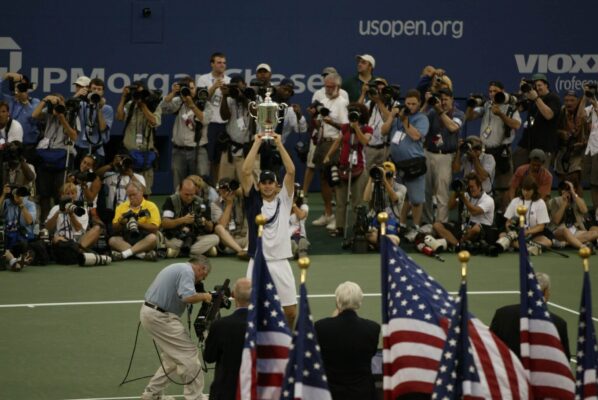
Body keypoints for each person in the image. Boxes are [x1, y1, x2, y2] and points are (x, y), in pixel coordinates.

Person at [240, 132, 297, 327]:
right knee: (250, 310)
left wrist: (279, 144)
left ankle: (286, 343)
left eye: (270, 182)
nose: (266, 186)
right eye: (263, 183)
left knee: (290, 312)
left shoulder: (284, 199)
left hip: (281, 262)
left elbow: (291, 171)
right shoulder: (252, 199)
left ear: (277, 185)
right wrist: (256, 143)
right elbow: (246, 171)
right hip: (257, 261)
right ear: (259, 185)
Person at [140, 256, 213, 400]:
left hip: (152, 313)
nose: (202, 280)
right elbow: (187, 296)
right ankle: (195, 396)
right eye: (204, 276)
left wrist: (202, 295)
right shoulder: (187, 271)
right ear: (201, 268)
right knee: (188, 353)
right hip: (161, 317)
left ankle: (152, 393)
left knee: (172, 359)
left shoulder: (178, 267)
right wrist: (205, 296)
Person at [314, 281, 380, 400]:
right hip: (363, 393)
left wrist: (333, 319)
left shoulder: (320, 327)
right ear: (360, 301)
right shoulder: (373, 328)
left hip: (331, 392)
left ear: (337, 301)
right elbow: (372, 353)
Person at [490, 272, 570, 361]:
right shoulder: (559, 324)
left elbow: (490, 347)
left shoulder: (502, 314)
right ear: (546, 293)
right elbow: (564, 360)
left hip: (508, 372)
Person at [383, 89, 429, 236]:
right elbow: (383, 131)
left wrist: (404, 120)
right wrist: (391, 116)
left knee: (416, 199)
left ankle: (416, 227)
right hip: (397, 164)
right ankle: (401, 223)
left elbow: (416, 136)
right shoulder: (397, 118)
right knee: (402, 197)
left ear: (419, 104)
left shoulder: (422, 118)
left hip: (413, 163)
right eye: (408, 103)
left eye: (413, 104)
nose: (410, 106)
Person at [323, 102, 372, 237]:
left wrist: (356, 128)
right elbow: (338, 141)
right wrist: (328, 155)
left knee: (357, 201)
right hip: (343, 167)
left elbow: (364, 142)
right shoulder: (345, 128)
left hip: (359, 169)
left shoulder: (367, 129)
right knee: (340, 201)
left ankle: (358, 227)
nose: (352, 115)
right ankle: (340, 227)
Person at [464, 80, 521, 195]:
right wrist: (471, 106)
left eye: (495, 91)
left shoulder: (510, 107)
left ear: (502, 92)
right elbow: (469, 117)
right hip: (485, 150)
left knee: (504, 187)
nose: (492, 93)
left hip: (502, 151)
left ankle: (502, 211)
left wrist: (500, 114)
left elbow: (516, 124)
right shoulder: (486, 105)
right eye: (490, 91)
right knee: (483, 183)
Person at [309, 73, 349, 231]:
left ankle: (339, 218)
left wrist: (331, 121)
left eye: (331, 86)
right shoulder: (323, 102)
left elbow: (346, 129)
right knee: (324, 180)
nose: (328, 89)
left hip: (335, 144)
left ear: (338, 86)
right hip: (321, 142)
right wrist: (315, 119)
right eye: (326, 86)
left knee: (336, 181)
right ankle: (328, 213)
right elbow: (319, 126)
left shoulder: (343, 103)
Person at [32, 93, 78, 222]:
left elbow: (74, 137)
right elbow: (34, 115)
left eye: (60, 103)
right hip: (46, 155)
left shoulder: (72, 115)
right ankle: (45, 223)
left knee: (61, 192)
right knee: (44, 194)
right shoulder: (48, 113)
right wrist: (45, 100)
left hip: (63, 156)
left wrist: (62, 118)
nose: (58, 106)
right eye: (56, 104)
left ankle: (62, 221)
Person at [203, 277, 251, 400]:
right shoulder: (266, 326)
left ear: (233, 295)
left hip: (225, 391)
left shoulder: (220, 326)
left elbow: (209, 358)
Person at [423, 87, 465, 224]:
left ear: (452, 99)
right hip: (429, 153)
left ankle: (441, 223)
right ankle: (427, 223)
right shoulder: (431, 113)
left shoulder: (458, 114)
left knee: (442, 192)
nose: (443, 102)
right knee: (426, 191)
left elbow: (453, 127)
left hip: (446, 156)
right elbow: (418, 122)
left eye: (446, 99)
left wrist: (439, 111)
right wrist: (426, 103)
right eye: (440, 100)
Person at [116, 80, 162, 195]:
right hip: (130, 155)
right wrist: (123, 98)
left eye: (142, 93)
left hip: (146, 155)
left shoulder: (154, 106)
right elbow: (120, 117)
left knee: (145, 192)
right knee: (127, 192)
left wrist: (143, 106)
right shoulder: (130, 105)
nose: (139, 96)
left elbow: (154, 121)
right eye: (136, 93)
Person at [431, 172, 495, 251]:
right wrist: (456, 192)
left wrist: (463, 198)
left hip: (482, 230)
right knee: (437, 225)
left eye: (472, 187)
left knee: (476, 228)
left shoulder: (488, 200)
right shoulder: (466, 195)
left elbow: (474, 212)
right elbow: (450, 206)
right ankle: (458, 245)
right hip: (464, 227)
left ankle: (457, 243)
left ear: (479, 186)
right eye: (469, 187)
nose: (470, 189)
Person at [161, 76, 205, 190]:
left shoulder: (202, 103)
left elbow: (204, 120)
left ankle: (196, 207)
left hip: (196, 151)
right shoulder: (178, 101)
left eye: (192, 88)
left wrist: (191, 104)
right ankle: (177, 206)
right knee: (178, 184)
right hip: (178, 150)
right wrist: (173, 93)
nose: (190, 91)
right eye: (187, 88)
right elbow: (163, 108)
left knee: (196, 184)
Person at [513, 73, 562, 169]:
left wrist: (536, 98)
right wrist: (522, 92)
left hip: (544, 145)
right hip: (527, 143)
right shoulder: (531, 98)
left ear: (546, 85)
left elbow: (549, 115)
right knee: (518, 169)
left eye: (539, 85)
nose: (537, 88)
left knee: (540, 175)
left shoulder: (553, 98)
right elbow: (519, 108)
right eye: (535, 86)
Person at [161, 178, 219, 259]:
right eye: (186, 194)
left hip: (196, 238)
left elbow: (210, 228)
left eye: (192, 194)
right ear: (180, 191)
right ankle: (203, 251)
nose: (189, 197)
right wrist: (183, 220)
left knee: (215, 238)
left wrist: (204, 221)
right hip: (176, 237)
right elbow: (165, 224)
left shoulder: (202, 203)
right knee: (164, 240)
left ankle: (179, 253)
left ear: (195, 192)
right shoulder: (171, 201)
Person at [45, 182, 101, 264]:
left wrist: (71, 214)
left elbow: (79, 229)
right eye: (67, 194)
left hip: (78, 240)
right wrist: (58, 213)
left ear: (76, 195)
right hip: (62, 239)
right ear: (61, 196)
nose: (70, 196)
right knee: (57, 239)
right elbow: (48, 228)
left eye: (72, 193)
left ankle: (77, 250)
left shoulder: (80, 209)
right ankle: (80, 252)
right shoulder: (55, 208)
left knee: (97, 229)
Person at [197, 52, 231, 181]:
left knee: (223, 159)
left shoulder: (229, 81)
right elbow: (201, 100)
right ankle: (210, 187)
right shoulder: (203, 79)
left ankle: (220, 187)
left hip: (225, 124)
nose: (222, 65)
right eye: (219, 62)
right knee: (210, 159)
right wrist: (214, 87)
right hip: (210, 124)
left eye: (224, 62)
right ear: (212, 64)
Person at [109, 181, 160, 261]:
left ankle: (124, 254)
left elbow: (154, 228)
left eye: (134, 194)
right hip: (127, 238)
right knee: (112, 240)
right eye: (129, 195)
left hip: (144, 238)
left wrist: (138, 224)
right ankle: (142, 255)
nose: (132, 197)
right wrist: (122, 222)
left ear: (141, 192)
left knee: (153, 238)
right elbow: (114, 228)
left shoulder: (151, 206)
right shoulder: (121, 207)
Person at [500, 175, 551, 254]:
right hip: (516, 236)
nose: (526, 193)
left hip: (533, 236)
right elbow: (508, 222)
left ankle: (519, 246)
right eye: (524, 190)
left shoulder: (540, 203)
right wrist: (512, 232)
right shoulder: (515, 201)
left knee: (547, 242)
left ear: (534, 190)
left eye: (529, 190)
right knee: (502, 235)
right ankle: (529, 248)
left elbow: (541, 226)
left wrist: (527, 232)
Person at [218, 74, 252, 181]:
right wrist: (224, 96)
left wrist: (243, 97)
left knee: (246, 187)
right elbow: (224, 117)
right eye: (234, 88)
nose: (236, 90)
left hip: (245, 151)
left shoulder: (252, 96)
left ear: (245, 85)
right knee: (225, 184)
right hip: (229, 149)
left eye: (239, 87)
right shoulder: (229, 98)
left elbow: (255, 113)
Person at [363, 161, 406, 245]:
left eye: (388, 175)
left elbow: (395, 199)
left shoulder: (401, 188)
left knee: (395, 240)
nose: (385, 177)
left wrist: (385, 182)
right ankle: (382, 241)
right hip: (375, 220)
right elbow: (366, 199)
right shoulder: (376, 185)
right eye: (383, 175)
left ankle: (378, 242)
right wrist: (371, 178)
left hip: (391, 220)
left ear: (394, 175)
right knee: (369, 234)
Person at [73, 77, 113, 166]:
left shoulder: (107, 108)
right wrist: (77, 95)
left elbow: (103, 128)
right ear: (89, 90)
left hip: (96, 149)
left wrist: (99, 108)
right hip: (79, 146)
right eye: (94, 89)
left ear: (103, 92)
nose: (96, 91)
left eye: (99, 89)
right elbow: (67, 109)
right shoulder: (81, 104)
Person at [1, 72, 41, 160]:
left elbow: (34, 119)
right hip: (9, 146)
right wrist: (5, 76)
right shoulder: (8, 101)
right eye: (18, 86)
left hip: (29, 147)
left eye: (23, 86)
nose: (21, 88)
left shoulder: (35, 102)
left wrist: (25, 102)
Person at [548, 180, 598, 249]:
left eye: (570, 189)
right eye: (566, 190)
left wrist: (574, 194)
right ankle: (583, 246)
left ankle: (566, 244)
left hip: (575, 231)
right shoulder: (554, 201)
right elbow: (556, 221)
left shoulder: (577, 200)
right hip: (559, 231)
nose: (568, 192)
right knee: (565, 230)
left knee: (595, 233)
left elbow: (584, 210)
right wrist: (564, 204)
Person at [554, 90, 587, 193]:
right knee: (562, 182)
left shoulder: (584, 114)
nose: (569, 103)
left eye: (572, 100)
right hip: (562, 150)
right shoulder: (561, 112)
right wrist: (562, 133)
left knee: (574, 180)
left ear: (577, 101)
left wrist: (583, 143)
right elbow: (553, 129)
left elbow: (591, 133)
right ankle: (564, 207)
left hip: (578, 151)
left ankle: (578, 208)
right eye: (566, 100)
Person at [0, 184, 36, 271]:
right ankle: (15, 262)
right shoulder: (6, 202)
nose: (18, 195)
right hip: (6, 237)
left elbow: (29, 221)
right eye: (16, 193)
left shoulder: (29, 204)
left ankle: (14, 261)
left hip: (21, 238)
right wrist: (4, 194)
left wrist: (21, 205)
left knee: (27, 247)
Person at [210, 178, 248, 259]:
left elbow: (248, 191)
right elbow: (222, 225)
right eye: (222, 190)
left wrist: (237, 190)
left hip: (243, 239)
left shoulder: (240, 198)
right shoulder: (215, 204)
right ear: (219, 190)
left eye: (228, 189)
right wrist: (229, 204)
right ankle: (241, 252)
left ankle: (246, 250)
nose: (226, 192)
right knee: (218, 228)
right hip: (228, 243)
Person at [582, 84, 598, 215]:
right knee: (593, 183)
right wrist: (584, 96)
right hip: (592, 148)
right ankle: (596, 211)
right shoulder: (591, 107)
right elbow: (581, 115)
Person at [289, 183, 309, 258]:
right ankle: (295, 250)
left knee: (301, 241)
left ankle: (299, 251)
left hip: (299, 235)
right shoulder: (282, 207)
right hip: (286, 236)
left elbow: (301, 216)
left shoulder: (304, 207)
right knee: (290, 242)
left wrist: (292, 204)